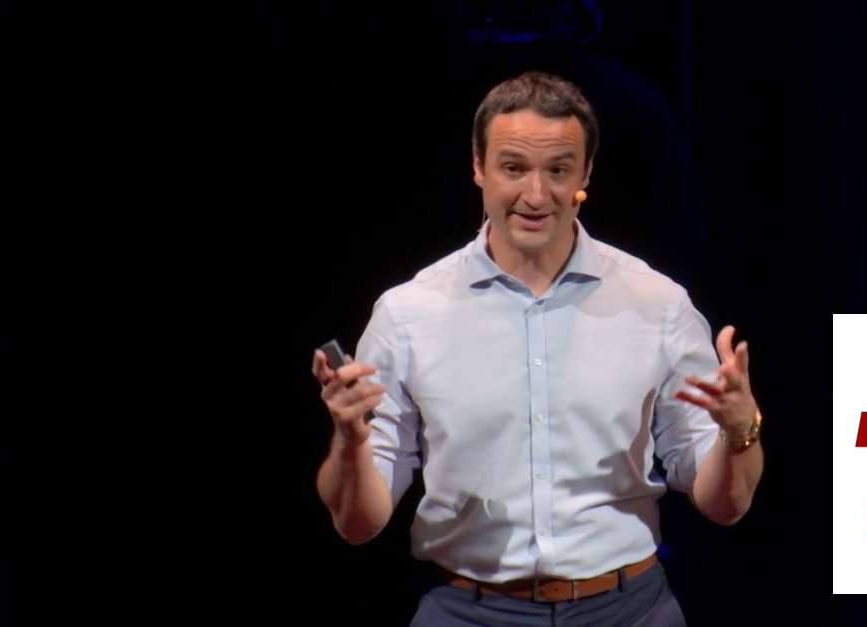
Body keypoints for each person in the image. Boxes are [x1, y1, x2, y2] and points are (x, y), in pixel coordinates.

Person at [311, 70, 764, 626]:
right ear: (478, 166)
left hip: (630, 610)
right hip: (467, 611)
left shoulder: (658, 305)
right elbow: (358, 525)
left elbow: (725, 507)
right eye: (513, 168)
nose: (535, 195)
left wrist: (739, 432)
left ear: (586, 173)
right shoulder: (407, 315)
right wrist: (351, 439)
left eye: (557, 170)